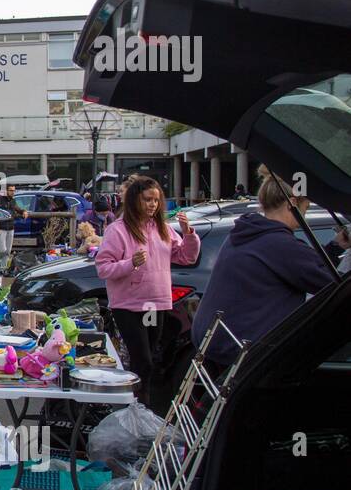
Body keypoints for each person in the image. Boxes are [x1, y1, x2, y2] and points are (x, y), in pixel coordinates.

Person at [192, 167, 337, 371]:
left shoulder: (246, 233)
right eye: (304, 210)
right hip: (246, 351)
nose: (303, 218)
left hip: (216, 342)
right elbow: (333, 283)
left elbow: (304, 264)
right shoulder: (279, 244)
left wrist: (336, 247)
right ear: (292, 204)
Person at [95, 175, 200, 397]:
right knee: (141, 358)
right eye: (147, 199)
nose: (153, 204)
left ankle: (141, 404)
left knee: (150, 358)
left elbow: (186, 257)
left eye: (156, 200)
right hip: (128, 305)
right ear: (135, 200)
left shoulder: (163, 229)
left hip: (154, 304)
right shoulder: (118, 230)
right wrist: (130, 263)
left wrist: (188, 233)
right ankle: (138, 405)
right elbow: (103, 268)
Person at [0, 184, 25, 270]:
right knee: (2, 250)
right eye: (11, 190)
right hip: (0, 228)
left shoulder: (13, 201)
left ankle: (3, 269)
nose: (13, 192)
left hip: (11, 228)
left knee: (8, 251)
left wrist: (23, 211)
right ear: (6, 191)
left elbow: (18, 209)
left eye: (14, 190)